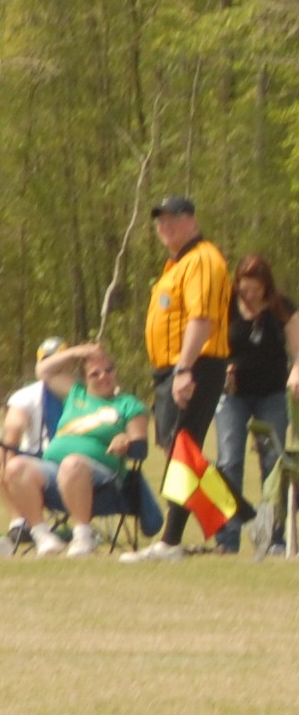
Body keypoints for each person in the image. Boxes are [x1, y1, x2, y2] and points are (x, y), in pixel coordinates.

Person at [144, 199, 230, 514]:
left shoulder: (202, 259)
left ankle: (171, 539)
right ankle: (239, 518)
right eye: (160, 221)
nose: (165, 226)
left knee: (182, 450)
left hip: (194, 366)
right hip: (171, 369)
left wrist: (184, 369)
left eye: (173, 219)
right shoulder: (177, 265)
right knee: (176, 449)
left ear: (192, 221)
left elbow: (201, 319)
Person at [41, 345, 156, 556]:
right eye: (95, 373)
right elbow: (44, 371)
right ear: (85, 379)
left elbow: (140, 449)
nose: (103, 376)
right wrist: (77, 352)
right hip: (53, 471)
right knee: (15, 467)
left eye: (109, 370)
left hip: (103, 480)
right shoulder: (75, 393)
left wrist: (126, 440)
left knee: (72, 463)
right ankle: (43, 538)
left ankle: (83, 537)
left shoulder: (128, 404)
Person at [0, 339, 88, 550]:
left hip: (77, 459)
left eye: (59, 360)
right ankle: (19, 523)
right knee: (3, 454)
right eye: (49, 360)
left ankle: (81, 531)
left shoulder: (84, 393)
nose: (55, 365)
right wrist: (7, 445)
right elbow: (13, 433)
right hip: (38, 459)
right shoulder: (27, 395)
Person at [220, 255, 290, 549]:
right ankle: (228, 537)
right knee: (228, 462)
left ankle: (269, 537)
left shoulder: (281, 307)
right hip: (233, 395)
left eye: (252, 289)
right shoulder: (226, 307)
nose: (246, 295)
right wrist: (224, 367)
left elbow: (297, 351)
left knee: (273, 463)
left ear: (265, 287)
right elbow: (214, 346)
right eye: (242, 287)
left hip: (272, 394)